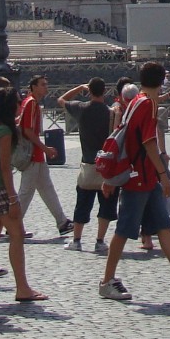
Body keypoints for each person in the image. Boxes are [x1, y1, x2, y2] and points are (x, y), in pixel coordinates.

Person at [97, 63, 170, 305]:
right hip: (140, 177)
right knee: (124, 230)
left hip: (144, 177)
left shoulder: (136, 101)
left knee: (163, 226)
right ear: (162, 81)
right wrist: (164, 174)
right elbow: (148, 142)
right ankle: (107, 281)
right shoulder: (148, 104)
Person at [0, 89, 46, 303]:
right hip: (0, 188)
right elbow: (5, 166)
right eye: (18, 102)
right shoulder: (4, 131)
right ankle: (22, 288)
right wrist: (12, 198)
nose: (21, 105)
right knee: (16, 234)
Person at [56, 78, 117, 253]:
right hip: (106, 167)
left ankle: (76, 239)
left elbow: (61, 100)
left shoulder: (81, 108)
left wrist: (78, 87)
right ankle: (100, 241)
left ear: (89, 91)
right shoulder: (111, 112)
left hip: (88, 164)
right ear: (104, 91)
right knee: (106, 206)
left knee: (82, 204)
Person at [14, 74, 71, 237]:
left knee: (47, 189)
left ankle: (62, 222)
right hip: (32, 155)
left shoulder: (29, 103)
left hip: (36, 155)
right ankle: (13, 225)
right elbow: (28, 131)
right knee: (25, 193)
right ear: (34, 87)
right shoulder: (31, 104)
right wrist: (45, 148)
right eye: (43, 84)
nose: (46, 87)